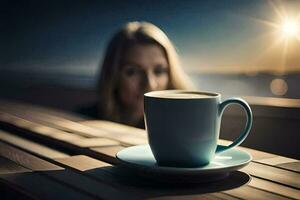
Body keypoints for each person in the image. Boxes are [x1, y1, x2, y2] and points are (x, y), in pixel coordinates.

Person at [79, 21, 194, 128]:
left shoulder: (187, 128)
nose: (150, 85)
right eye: (132, 72)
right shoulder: (83, 121)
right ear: (112, 75)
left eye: (159, 71)